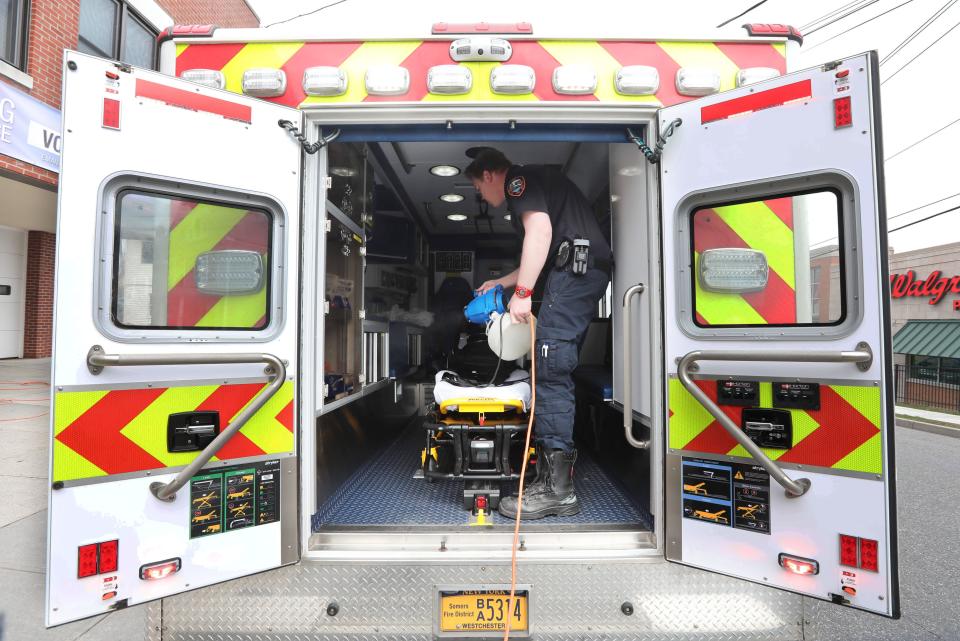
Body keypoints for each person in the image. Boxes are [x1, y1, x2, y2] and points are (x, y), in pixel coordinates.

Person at [466, 148, 611, 519]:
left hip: (575, 273)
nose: (484, 197)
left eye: (480, 190)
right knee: (553, 364)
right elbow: (542, 251)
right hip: (577, 272)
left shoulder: (519, 183)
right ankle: (552, 479)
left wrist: (523, 294)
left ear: (488, 176)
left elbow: (541, 232)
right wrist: (503, 281)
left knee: (549, 364)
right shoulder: (538, 183)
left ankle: (557, 490)